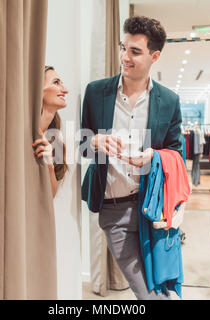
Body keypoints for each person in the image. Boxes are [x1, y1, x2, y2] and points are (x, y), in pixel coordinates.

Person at [80, 16, 183, 300]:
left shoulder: (169, 101)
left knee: (162, 287)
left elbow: (177, 153)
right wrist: (94, 141)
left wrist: (153, 157)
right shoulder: (95, 92)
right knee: (148, 293)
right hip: (114, 211)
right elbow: (80, 146)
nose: (125, 57)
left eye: (135, 51)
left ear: (155, 56)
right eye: (122, 47)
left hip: (153, 209)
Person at [32, 66, 69, 197]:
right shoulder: (22, 133)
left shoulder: (55, 138)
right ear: (38, 90)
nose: (65, 90)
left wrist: (49, 166)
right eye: (56, 82)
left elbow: (51, 195)